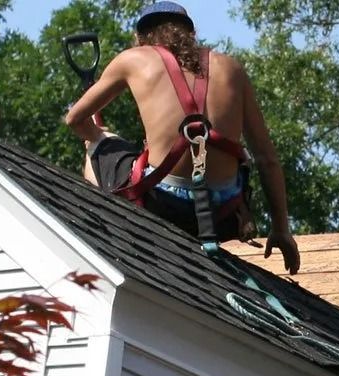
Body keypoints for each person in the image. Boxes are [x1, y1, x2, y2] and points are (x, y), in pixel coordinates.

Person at [63, 1, 299, 274]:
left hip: (160, 204)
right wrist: (281, 229)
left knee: (97, 144)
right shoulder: (232, 69)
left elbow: (75, 120)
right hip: (222, 215)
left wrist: (100, 134)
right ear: (190, 33)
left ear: (141, 38)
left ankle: (108, 236)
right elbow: (267, 159)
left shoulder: (133, 59)